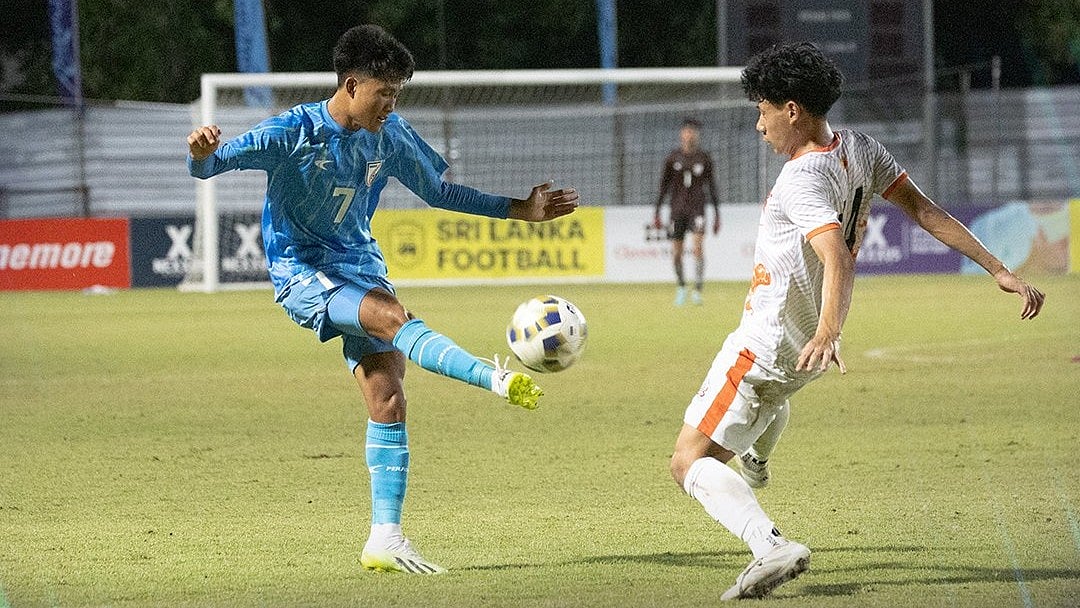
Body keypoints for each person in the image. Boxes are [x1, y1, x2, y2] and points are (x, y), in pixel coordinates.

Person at [186, 24, 579, 575]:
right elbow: (211, 166)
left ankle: (385, 540)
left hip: (360, 267)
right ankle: (494, 378)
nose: (391, 105)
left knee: (388, 395)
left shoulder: (390, 135)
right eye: (383, 93)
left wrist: (522, 208)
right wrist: (201, 153)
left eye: (397, 94)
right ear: (350, 85)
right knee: (394, 319)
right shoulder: (292, 131)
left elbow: (442, 191)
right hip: (303, 272)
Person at [668, 42, 1045, 601]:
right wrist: (998, 269)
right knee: (773, 399)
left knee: (686, 463)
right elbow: (925, 210)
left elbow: (836, 256)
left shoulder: (801, 178)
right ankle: (758, 459)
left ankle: (769, 546)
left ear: (792, 110)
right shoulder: (862, 149)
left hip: (771, 342)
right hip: (801, 354)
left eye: (763, 109)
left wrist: (829, 331)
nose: (758, 124)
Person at [653, 118, 721, 306]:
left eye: (693, 131)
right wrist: (657, 212)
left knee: (698, 248)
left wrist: (717, 215)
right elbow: (663, 188)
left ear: (697, 135)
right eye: (687, 131)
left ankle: (697, 289)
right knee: (677, 252)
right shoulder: (672, 158)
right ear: (681, 134)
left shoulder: (704, 158)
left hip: (697, 209)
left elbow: (712, 187)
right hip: (677, 211)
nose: (690, 134)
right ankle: (681, 286)